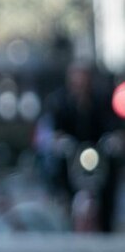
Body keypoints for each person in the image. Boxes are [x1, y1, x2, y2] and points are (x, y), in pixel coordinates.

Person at [43, 61, 121, 232]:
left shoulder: (101, 99)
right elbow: (54, 129)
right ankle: (64, 204)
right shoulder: (60, 101)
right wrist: (60, 141)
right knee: (55, 167)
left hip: (97, 152)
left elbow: (112, 125)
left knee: (110, 174)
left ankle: (106, 222)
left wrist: (113, 140)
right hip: (72, 154)